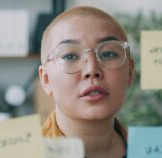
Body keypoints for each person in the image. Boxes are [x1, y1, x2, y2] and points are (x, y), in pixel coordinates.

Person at [38, 6, 134, 158]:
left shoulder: (155, 152)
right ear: (46, 79)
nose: (92, 70)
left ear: (129, 72)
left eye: (108, 54)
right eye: (70, 56)